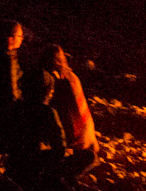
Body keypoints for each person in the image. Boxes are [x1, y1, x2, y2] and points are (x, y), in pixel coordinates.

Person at [35, 44, 100, 179]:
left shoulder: (57, 80)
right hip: (84, 127)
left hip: (75, 129)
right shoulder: (71, 75)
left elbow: (65, 110)